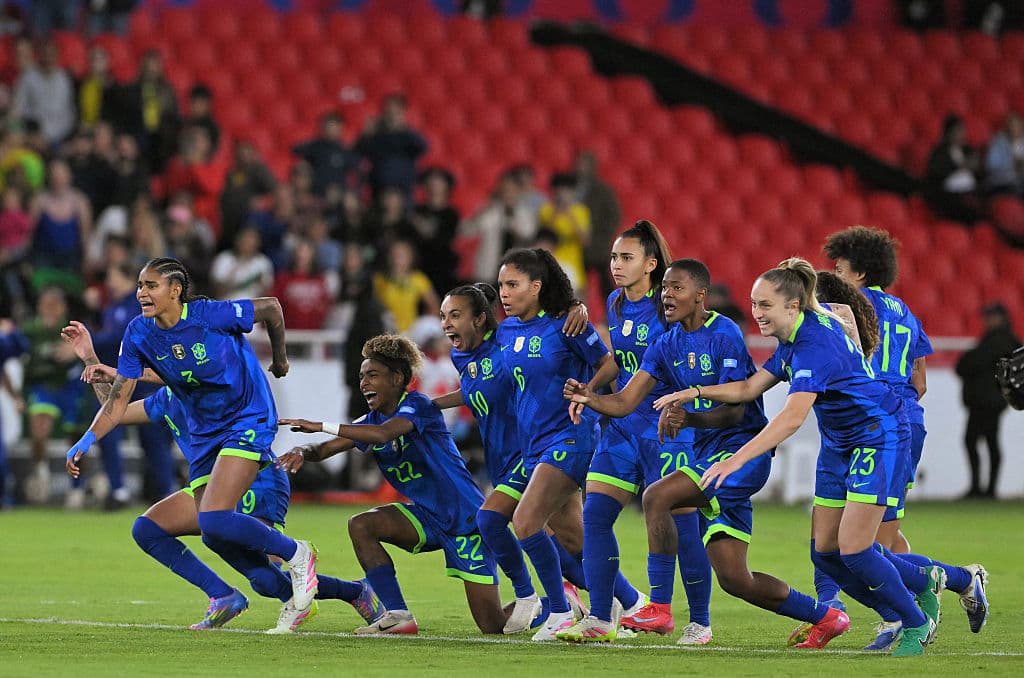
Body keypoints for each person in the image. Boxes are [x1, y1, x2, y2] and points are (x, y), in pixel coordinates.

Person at [654, 258, 956, 657]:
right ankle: (925, 582)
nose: (756, 313)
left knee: (854, 549)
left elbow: (792, 418)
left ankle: (916, 622)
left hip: (878, 436)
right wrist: (693, 393)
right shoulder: (795, 335)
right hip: (841, 442)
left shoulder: (813, 345)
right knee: (825, 554)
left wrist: (734, 460)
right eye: (754, 303)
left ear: (793, 306)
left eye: (765, 305)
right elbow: (747, 388)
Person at [565, 257, 850, 648]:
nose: (666, 295)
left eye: (676, 288)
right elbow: (628, 400)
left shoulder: (724, 333)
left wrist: (691, 415)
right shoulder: (665, 344)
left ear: (700, 296)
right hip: (710, 459)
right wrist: (591, 398)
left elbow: (736, 409)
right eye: (664, 287)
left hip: (740, 454)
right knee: (736, 579)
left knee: (658, 496)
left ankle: (660, 607)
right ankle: (827, 617)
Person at [61, 320, 383, 633]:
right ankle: (223, 595)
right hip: (208, 484)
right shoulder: (166, 400)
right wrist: (91, 360)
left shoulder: (212, 388)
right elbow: (114, 409)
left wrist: (123, 371)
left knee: (266, 577)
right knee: (148, 529)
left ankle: (352, 591)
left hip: (257, 478)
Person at [63, 257, 321, 628]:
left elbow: (271, 308)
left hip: (248, 419)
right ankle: (232, 594)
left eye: (150, 285)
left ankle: (297, 553)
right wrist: (86, 434)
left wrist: (280, 360)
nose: (141, 292)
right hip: (210, 446)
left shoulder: (209, 315)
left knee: (222, 528)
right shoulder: (146, 346)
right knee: (179, 531)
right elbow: (117, 402)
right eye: (139, 285)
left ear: (175, 290)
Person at [277, 334, 507, 635]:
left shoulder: (418, 406)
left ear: (398, 378)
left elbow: (384, 435)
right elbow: (325, 450)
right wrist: (301, 451)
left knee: (493, 625)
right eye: (361, 376)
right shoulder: (370, 420)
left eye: (373, 375)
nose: (364, 383)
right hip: (426, 516)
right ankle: (398, 614)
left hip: (464, 519)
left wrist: (320, 424)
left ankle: (553, 605)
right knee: (362, 525)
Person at [810, 267, 991, 648]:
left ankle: (913, 609)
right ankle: (925, 597)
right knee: (858, 542)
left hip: (877, 432)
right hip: (888, 423)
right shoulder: (904, 311)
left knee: (871, 543)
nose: (837, 275)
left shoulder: (844, 310)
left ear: (858, 270)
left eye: (841, 267)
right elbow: (920, 383)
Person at [556, 223, 712, 644]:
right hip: (622, 427)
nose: (616, 266)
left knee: (683, 525)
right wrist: (591, 387)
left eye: (626, 258)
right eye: (613, 257)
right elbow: (618, 361)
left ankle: (700, 622)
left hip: (665, 430)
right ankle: (602, 619)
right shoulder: (614, 302)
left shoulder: (669, 308)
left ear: (651, 264)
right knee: (596, 516)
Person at [497, 248, 643, 641]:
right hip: (534, 443)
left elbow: (610, 363)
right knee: (574, 538)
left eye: (513, 285)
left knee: (525, 522)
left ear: (537, 286)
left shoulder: (568, 324)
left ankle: (560, 610)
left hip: (571, 437)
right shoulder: (506, 331)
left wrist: (589, 393)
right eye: (501, 286)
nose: (505, 293)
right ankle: (625, 604)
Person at [435, 282, 590, 634]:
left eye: (455, 315)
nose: (446, 324)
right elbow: (478, 388)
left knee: (493, 520)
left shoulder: (507, 345)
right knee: (566, 543)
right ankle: (614, 599)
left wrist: (576, 306)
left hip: (534, 451)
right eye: (443, 316)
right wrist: (433, 405)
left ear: (479, 319)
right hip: (503, 459)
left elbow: (547, 355)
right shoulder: (461, 356)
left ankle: (534, 597)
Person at [956, 302, 1021, 498]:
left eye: (991, 316)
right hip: (988, 400)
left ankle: (983, 488)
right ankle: (984, 488)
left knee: (977, 440)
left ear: (1001, 318)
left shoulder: (1000, 341)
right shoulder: (1003, 340)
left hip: (988, 400)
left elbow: (969, 364)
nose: (988, 320)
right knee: (985, 441)